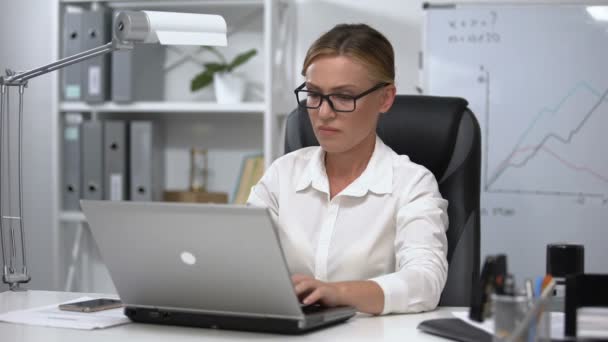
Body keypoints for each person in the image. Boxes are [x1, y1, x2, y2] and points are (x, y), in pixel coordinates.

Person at [247, 23, 448, 315]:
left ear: (385, 98)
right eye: (314, 94)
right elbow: (242, 260)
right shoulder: (282, 174)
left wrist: (338, 293)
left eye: (343, 97)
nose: (323, 113)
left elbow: (425, 282)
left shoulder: (412, 184)